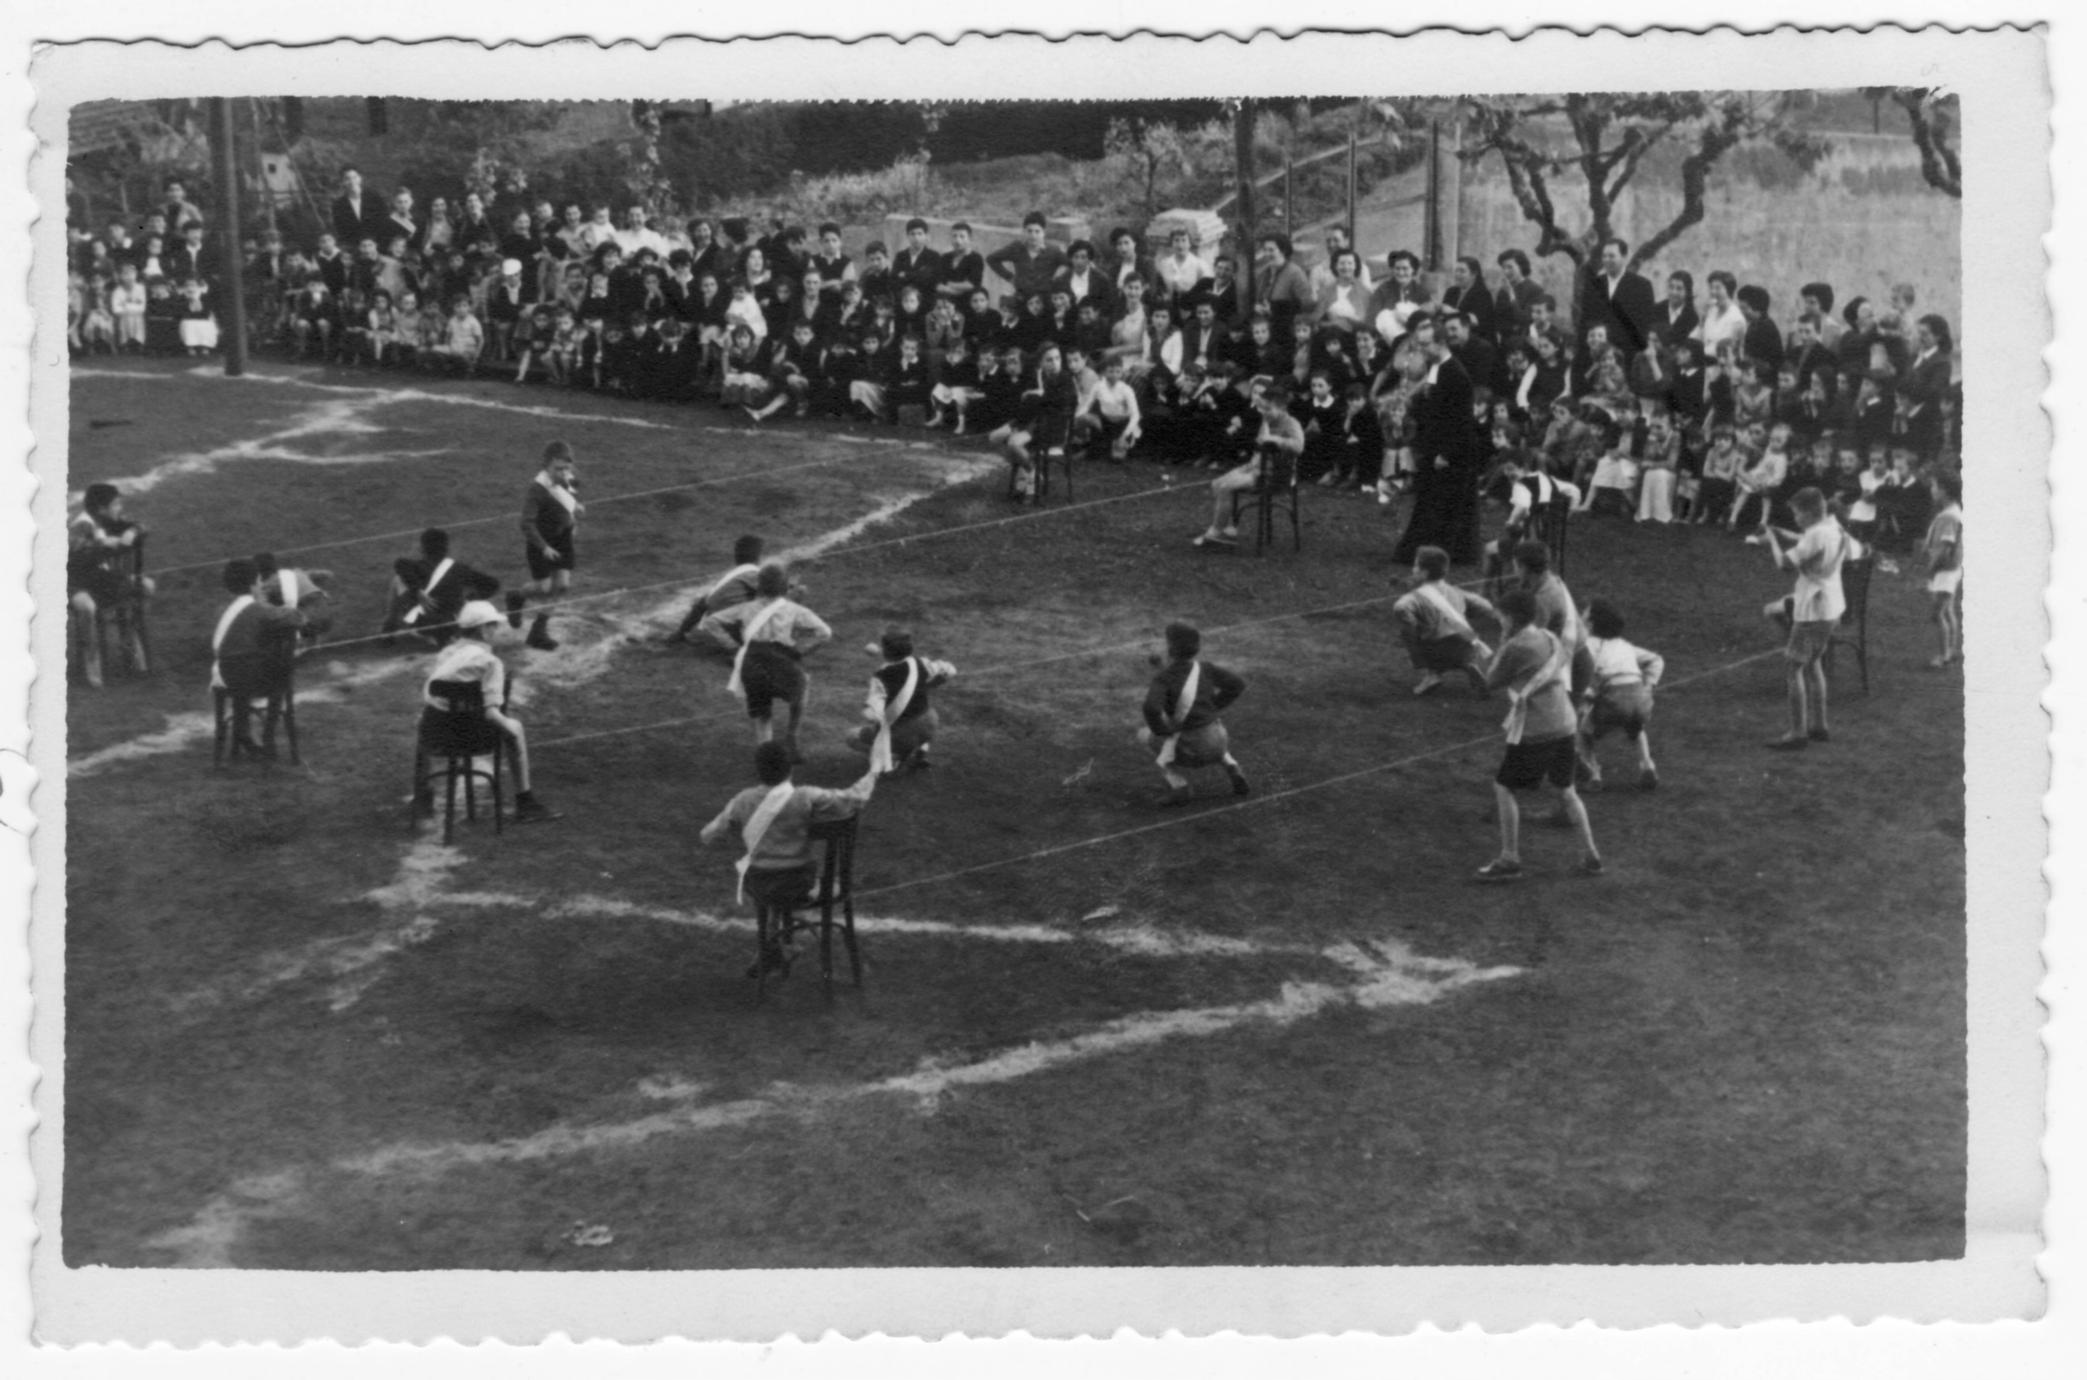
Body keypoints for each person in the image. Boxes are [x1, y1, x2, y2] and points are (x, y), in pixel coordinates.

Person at [700, 741, 879, 979]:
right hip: (800, 884)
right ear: (790, 769)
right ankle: (777, 949)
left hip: (763, 885)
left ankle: (774, 948)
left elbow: (708, 835)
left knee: (768, 875)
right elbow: (854, 799)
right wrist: (873, 772)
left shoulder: (742, 800)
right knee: (785, 875)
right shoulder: (806, 797)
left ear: (758, 770)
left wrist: (737, 827)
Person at [1477, 587, 1603, 882]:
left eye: (1501, 618)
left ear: (1510, 617)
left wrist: (1492, 651)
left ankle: (1509, 858)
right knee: (1566, 790)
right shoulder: (1549, 636)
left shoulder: (1515, 646)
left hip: (1536, 728)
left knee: (1504, 787)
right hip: (1565, 723)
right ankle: (1591, 854)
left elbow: (1489, 683)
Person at [412, 600, 560, 824]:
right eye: (493, 625)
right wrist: (510, 727)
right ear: (482, 629)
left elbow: (432, 696)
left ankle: (423, 796)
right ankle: (526, 801)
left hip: (436, 735)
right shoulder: (490, 663)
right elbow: (491, 714)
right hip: (474, 739)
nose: (496, 629)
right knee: (515, 728)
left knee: (425, 717)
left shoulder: (446, 654)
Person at [1758, 486, 1852, 750]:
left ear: (1811, 513)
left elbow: (1783, 564)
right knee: (1813, 663)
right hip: (1832, 605)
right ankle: (1819, 725)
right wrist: (1785, 533)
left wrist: (1772, 540)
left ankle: (1797, 732)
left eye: (1798, 513)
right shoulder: (1835, 527)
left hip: (1813, 608)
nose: (1796, 518)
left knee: (1793, 666)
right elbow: (1811, 539)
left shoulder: (1815, 535)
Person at [714, 561, 833, 761]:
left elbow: (712, 622)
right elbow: (825, 633)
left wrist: (734, 647)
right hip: (781, 664)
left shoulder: (745, 608)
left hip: (752, 664)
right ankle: (792, 736)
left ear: (759, 587)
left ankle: (765, 753)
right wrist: (801, 650)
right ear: (786, 588)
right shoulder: (794, 609)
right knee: (802, 685)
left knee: (762, 714)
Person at [1392, 314, 1485, 565]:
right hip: (1434, 446)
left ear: (1440, 343)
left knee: (1446, 505)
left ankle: (1444, 554)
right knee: (1432, 502)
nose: (1421, 350)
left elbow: (1462, 421)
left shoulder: (1456, 374)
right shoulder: (1435, 368)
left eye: (1425, 345)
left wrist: (1446, 453)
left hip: (1452, 451)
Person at [1138, 621, 1251, 806]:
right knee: (1206, 731)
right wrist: (1213, 707)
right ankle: (1232, 767)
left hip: (1193, 749)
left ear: (1171, 649)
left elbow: (1151, 707)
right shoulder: (1206, 668)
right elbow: (1237, 684)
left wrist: (1161, 730)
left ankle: (1179, 786)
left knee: (1144, 736)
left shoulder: (1163, 679)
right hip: (1219, 741)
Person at [210, 558, 307, 758]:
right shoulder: (257, 609)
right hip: (245, 678)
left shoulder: (229, 608)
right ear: (255, 584)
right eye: (259, 582)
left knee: (251, 661)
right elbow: (297, 618)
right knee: (280, 671)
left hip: (223, 673)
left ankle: (243, 731)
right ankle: (267, 735)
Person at [1193, 380, 1302, 548]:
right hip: (1256, 468)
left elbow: (1298, 446)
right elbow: (1259, 444)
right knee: (1216, 484)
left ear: (1282, 408)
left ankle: (1215, 531)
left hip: (1275, 475)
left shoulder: (1291, 424)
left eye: (1268, 409)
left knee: (1225, 488)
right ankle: (1228, 529)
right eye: (1262, 408)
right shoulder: (1266, 421)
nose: (1264, 412)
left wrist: (1275, 439)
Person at [1577, 597, 1666, 791]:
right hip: (1641, 699)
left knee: (1584, 730)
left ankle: (1593, 773)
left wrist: (1586, 697)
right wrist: (1649, 685)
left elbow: (1588, 676)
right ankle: (1647, 765)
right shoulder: (1625, 646)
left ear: (1591, 624)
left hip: (1614, 699)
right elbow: (1656, 660)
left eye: (1583, 613)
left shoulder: (1587, 645)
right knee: (1636, 726)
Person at [67, 482, 150, 688]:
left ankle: (134, 656)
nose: (119, 509)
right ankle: (93, 673)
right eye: (116, 504)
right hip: (74, 584)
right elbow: (74, 550)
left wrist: (133, 530)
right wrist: (103, 545)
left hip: (98, 579)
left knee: (145, 587)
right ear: (101, 509)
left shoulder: (107, 520)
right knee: (88, 608)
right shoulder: (83, 525)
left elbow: (143, 526)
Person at [506, 441, 583, 651]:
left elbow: (569, 500)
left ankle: (538, 631)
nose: (563, 473)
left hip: (563, 539)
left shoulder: (569, 479)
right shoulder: (537, 489)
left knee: (562, 585)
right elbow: (526, 523)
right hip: (541, 541)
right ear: (546, 466)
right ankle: (515, 597)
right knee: (543, 587)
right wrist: (543, 547)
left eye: (566, 468)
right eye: (557, 469)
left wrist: (576, 509)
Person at [848, 628, 958, 774]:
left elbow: (872, 714)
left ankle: (894, 759)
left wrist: (869, 714)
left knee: (852, 736)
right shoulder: (922, 663)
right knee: (922, 718)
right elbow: (950, 670)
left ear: (886, 652)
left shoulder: (880, 676)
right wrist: (930, 685)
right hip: (930, 724)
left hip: (904, 734)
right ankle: (920, 752)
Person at [1393, 545, 1498, 695]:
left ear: (1424, 573)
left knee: (1409, 633)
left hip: (1437, 648)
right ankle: (1469, 665)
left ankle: (1432, 674)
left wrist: (1412, 624)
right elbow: (1486, 606)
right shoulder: (1457, 591)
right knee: (1461, 641)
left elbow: (1400, 607)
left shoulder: (1415, 597)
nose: (1413, 569)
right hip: (1466, 646)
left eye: (1416, 566)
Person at [385, 527, 502, 646]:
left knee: (398, 579)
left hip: (423, 624)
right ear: (447, 547)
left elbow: (400, 564)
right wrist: (470, 598)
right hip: (452, 623)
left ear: (423, 548)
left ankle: (389, 628)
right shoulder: (459, 569)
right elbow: (492, 584)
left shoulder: (417, 567)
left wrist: (418, 591)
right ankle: (447, 636)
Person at [673, 534, 767, 649]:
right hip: (730, 635)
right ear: (759, 557)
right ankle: (738, 651)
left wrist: (681, 632)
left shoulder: (730, 577)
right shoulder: (753, 574)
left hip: (710, 632)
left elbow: (700, 605)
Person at [1922, 471, 1964, 668]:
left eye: (1934, 487)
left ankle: (1943, 654)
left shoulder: (1948, 517)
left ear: (1944, 492)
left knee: (1937, 613)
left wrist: (1932, 566)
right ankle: (1953, 649)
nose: (1932, 490)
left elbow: (1946, 546)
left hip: (1945, 570)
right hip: (1952, 568)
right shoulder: (1954, 512)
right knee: (1948, 611)